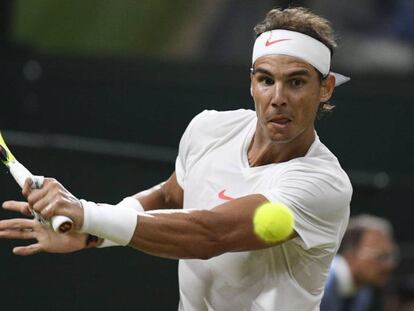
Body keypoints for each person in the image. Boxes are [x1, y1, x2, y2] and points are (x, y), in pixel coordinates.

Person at [0, 7, 352, 311]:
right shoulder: (210, 128)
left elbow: (209, 234)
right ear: (251, 83)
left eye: (296, 82)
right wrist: (93, 232)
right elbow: (170, 197)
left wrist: (89, 214)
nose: (277, 98)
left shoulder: (323, 184)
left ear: (326, 88)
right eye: (265, 80)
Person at [320, 214, 397, 311]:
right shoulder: (320, 281)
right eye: (381, 257)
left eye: (391, 257)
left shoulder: (363, 294)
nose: (389, 265)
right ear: (351, 252)